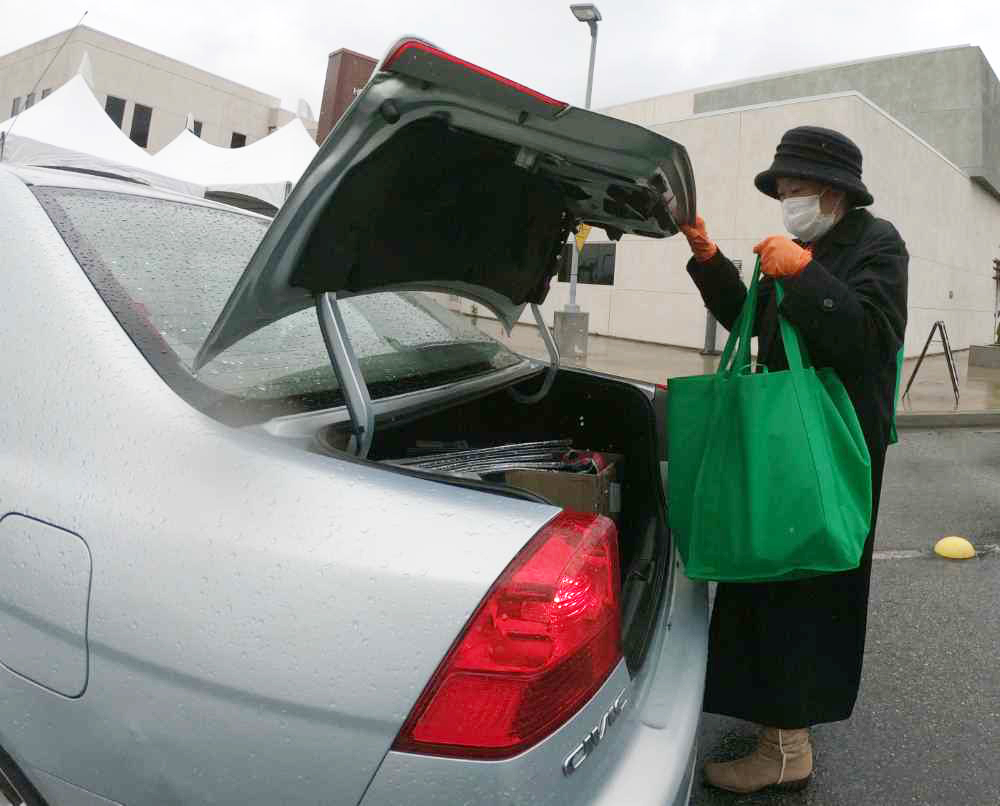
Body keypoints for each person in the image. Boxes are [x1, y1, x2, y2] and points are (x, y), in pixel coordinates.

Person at [678, 126, 909, 794]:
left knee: (810, 583)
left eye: (795, 189)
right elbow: (752, 321)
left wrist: (806, 275)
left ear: (832, 190)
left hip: (835, 440)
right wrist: (709, 257)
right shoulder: (803, 244)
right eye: (782, 191)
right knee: (770, 570)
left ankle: (786, 749)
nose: (786, 201)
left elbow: (869, 336)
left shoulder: (878, 244)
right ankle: (778, 730)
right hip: (785, 433)